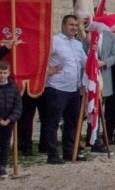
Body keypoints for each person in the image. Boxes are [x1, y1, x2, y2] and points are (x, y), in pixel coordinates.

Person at [41, 14, 87, 164]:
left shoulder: (78, 44)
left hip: (74, 89)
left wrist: (96, 55)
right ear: (63, 25)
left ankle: (69, 151)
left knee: (72, 122)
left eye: (75, 25)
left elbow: (85, 63)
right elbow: (41, 58)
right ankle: (52, 154)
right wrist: (48, 70)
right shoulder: (54, 41)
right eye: (71, 25)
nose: (74, 28)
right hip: (56, 87)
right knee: (53, 122)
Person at [0, 61, 22, 179]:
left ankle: (2, 166)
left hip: (8, 121)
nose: (2, 75)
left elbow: (18, 104)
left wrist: (10, 119)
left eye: (4, 73)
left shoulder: (13, 85)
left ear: (8, 73)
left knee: (5, 144)